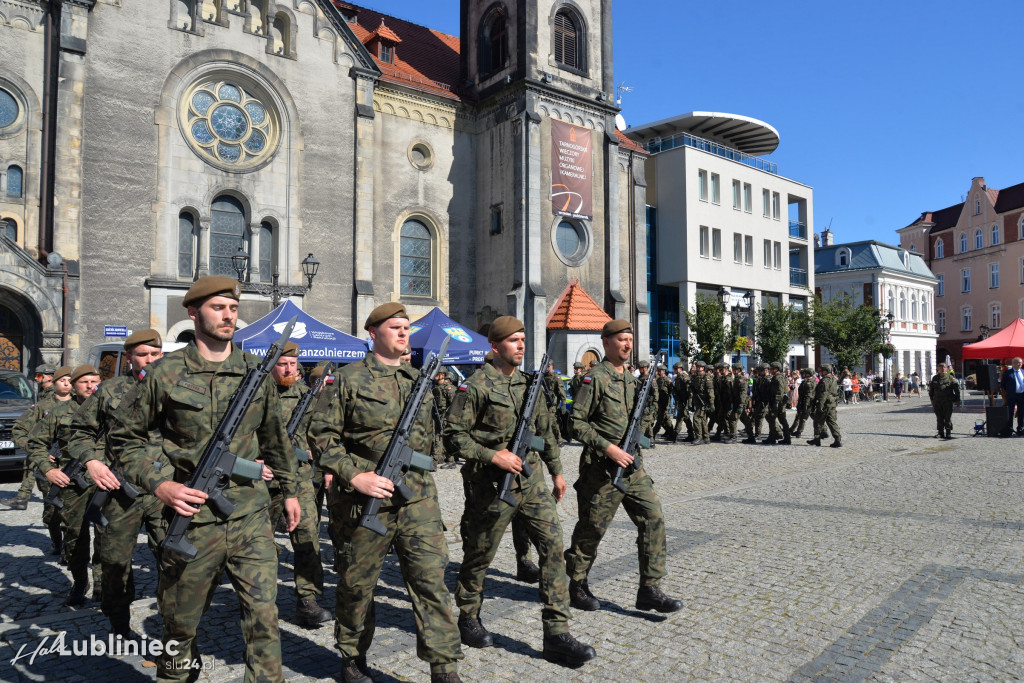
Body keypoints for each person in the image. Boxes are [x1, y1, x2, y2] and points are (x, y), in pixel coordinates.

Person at [109, 275, 302, 682]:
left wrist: (289, 491)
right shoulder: (165, 374)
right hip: (191, 520)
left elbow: (275, 439)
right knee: (179, 626)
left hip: (249, 515)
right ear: (194, 312)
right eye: (218, 308)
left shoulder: (254, 372)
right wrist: (162, 484)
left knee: (264, 618)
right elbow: (125, 441)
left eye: (233, 309)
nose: (229, 315)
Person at [309, 302, 463, 683]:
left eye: (406, 327)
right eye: (395, 327)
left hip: (418, 501)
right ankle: (351, 659)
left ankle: (444, 668)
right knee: (357, 585)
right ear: (373, 332)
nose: (403, 333)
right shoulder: (348, 379)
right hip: (364, 504)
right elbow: (320, 436)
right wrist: (354, 475)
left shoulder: (418, 382)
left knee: (431, 583)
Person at [443, 316, 596, 666]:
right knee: (480, 554)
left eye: (523, 339)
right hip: (491, 487)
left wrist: (557, 472)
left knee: (553, 548)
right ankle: (468, 615)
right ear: (495, 346)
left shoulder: (530, 385)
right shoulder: (475, 386)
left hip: (532, 483)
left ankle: (557, 633)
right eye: (513, 340)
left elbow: (547, 430)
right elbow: (453, 436)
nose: (521, 345)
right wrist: (492, 455)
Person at [564, 319, 683, 615]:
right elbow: (575, 423)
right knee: (592, 529)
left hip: (633, 468)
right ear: (606, 342)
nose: (627, 344)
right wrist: (609, 448)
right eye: (621, 339)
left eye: (630, 339)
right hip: (602, 471)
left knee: (653, 518)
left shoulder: (632, 381)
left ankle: (649, 589)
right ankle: (576, 584)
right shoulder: (595, 378)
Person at [67, 330, 166, 636]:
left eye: (154, 354)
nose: (148, 360)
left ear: (161, 355)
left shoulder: (178, 389)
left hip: (164, 488)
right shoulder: (110, 390)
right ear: (130, 358)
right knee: (114, 560)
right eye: (141, 354)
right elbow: (79, 431)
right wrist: (92, 462)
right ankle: (119, 623)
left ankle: (174, 623)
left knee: (172, 556)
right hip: (121, 488)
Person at [265, 341, 334, 628]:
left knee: (307, 537)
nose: (289, 369)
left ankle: (307, 600)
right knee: (260, 543)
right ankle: (260, 600)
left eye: (293, 364)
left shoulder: (307, 396)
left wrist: (326, 463)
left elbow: (320, 434)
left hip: (300, 477)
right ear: (272, 365)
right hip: (265, 479)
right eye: (283, 364)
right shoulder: (256, 395)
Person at [29, 364, 103, 605]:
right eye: (84, 382)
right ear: (74, 385)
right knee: (75, 536)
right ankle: (80, 582)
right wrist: (48, 470)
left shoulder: (110, 410)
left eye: (94, 381)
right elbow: (35, 443)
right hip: (74, 484)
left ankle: (102, 583)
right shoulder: (59, 412)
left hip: (106, 482)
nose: (90, 387)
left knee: (107, 535)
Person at [13, 365, 70, 553]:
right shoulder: (42, 406)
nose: (68, 384)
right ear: (55, 382)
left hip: (74, 466)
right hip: (49, 466)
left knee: (73, 511)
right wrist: (38, 451)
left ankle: (70, 551)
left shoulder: (84, 405)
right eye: (64, 380)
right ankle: (57, 541)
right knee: (52, 509)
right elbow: (19, 430)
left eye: (71, 380)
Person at [2, 363, 56, 510]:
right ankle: (23, 497)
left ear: (49, 377)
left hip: (49, 439)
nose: (36, 379)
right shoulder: (43, 393)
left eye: (39, 376)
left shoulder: (53, 395)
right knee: (31, 463)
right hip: (40, 438)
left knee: (36, 465)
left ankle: (26, 498)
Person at [808, 365, 841, 448]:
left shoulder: (825, 380)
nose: (820, 372)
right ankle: (837, 439)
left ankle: (817, 439)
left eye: (821, 371)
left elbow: (824, 393)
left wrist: (820, 405)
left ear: (825, 371)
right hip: (831, 403)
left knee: (817, 421)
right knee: (832, 422)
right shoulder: (833, 379)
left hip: (825, 404)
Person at [929, 361, 961, 439]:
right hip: (937, 401)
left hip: (947, 401)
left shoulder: (950, 378)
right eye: (941, 367)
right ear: (938, 369)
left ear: (946, 369)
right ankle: (940, 432)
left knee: (947, 417)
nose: (943, 369)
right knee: (939, 417)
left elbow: (956, 389)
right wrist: (932, 399)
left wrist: (958, 400)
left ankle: (948, 432)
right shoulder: (935, 378)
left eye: (944, 367)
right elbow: (931, 390)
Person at [690, 361, 714, 445]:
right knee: (703, 420)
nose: (697, 368)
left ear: (703, 368)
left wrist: (711, 403)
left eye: (698, 367)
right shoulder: (696, 377)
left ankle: (699, 437)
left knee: (696, 418)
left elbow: (710, 391)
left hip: (704, 402)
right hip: (698, 401)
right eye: (696, 366)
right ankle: (706, 438)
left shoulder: (706, 378)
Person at [1001, 357, 1024, 436]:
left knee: (1021, 412)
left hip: (1021, 395)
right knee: (1011, 412)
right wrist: (1009, 391)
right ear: (1013, 363)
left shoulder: (1023, 372)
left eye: (1020, 362)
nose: (1019, 364)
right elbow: (1003, 384)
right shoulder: (1008, 373)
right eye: (1017, 362)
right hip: (1012, 395)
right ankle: (1010, 428)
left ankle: (1020, 428)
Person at [671, 364, 693, 442]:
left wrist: (689, 402)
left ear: (680, 369)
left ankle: (676, 435)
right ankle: (690, 434)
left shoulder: (684, 377)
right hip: (680, 400)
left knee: (682, 417)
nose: (674, 370)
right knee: (684, 417)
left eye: (675, 369)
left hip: (685, 401)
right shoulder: (677, 378)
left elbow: (689, 391)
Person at [790, 369, 815, 438]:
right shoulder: (807, 381)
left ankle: (799, 432)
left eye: (803, 374)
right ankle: (795, 430)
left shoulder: (809, 382)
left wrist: (805, 405)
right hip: (804, 401)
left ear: (808, 374)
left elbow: (808, 395)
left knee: (804, 418)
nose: (802, 375)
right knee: (803, 416)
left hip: (807, 402)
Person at [653, 366, 675, 440]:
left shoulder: (667, 380)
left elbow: (671, 391)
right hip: (659, 402)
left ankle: (671, 433)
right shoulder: (658, 379)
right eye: (658, 370)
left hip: (666, 402)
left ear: (664, 371)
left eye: (660, 370)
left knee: (663, 418)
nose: (659, 372)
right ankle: (669, 431)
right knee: (662, 418)